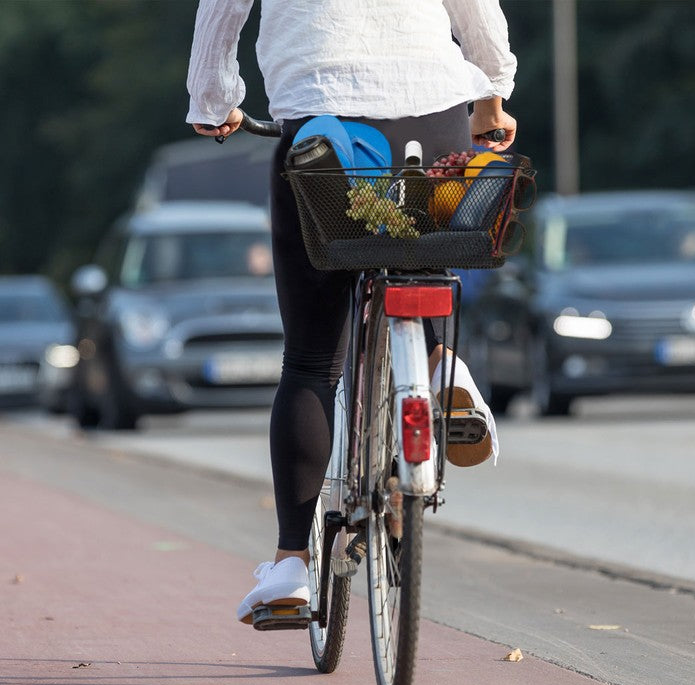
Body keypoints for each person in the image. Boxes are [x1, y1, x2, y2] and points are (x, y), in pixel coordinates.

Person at [186, 0, 518, 625]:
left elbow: (222, 11)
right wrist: (492, 95)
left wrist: (212, 102)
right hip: (433, 113)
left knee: (311, 358)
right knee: (422, 269)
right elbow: (475, 8)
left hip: (325, 128)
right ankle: (444, 366)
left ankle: (290, 568)